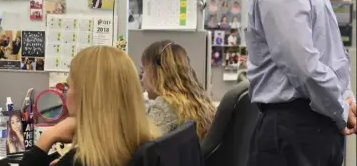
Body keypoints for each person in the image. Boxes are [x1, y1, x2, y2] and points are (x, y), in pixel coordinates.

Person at [215, 0, 356, 166]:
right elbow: (333, 55)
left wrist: (340, 109)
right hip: (310, 128)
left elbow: (303, 67)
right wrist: (344, 99)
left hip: (291, 131)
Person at [19, 46, 159, 166]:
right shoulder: (146, 148)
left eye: (69, 86)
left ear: (86, 97)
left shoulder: (83, 161)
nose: (66, 95)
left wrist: (48, 137)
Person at [141, 40, 215, 139]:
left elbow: (144, 149)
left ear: (157, 72)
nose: (142, 80)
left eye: (143, 71)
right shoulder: (198, 102)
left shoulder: (164, 106)